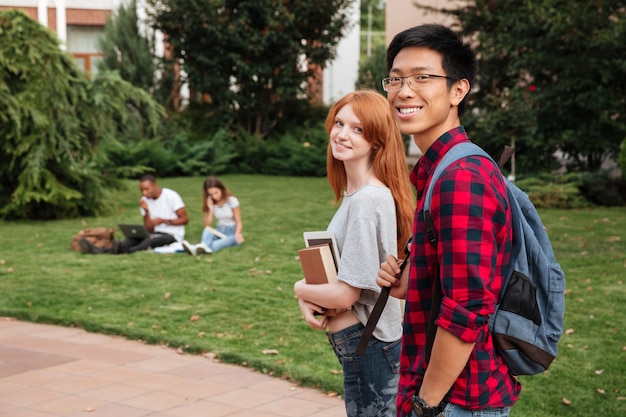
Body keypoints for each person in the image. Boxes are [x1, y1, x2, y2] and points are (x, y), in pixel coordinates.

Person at [375, 24, 521, 417]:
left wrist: (426, 404)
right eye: (396, 79)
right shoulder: (441, 168)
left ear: (458, 90)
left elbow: (468, 307)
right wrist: (414, 276)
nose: (404, 91)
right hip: (452, 391)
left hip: (457, 399)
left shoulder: (460, 177)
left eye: (423, 77)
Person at [293, 90, 415, 417]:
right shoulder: (357, 194)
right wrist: (313, 295)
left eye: (357, 129)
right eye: (339, 123)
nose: (342, 134)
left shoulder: (366, 201)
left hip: (369, 345)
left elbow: (348, 294)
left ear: (376, 141)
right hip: (366, 345)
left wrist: (299, 290)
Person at [80, 174, 189, 254]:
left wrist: (164, 221)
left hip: (171, 235)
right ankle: (102, 250)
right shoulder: (144, 201)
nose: (144, 193)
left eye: (147, 189)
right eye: (141, 190)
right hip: (153, 233)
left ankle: (124, 251)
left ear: (155, 185)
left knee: (148, 242)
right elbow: (149, 229)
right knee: (130, 240)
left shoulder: (171, 196)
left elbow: (185, 219)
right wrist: (146, 212)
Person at [181, 176, 244, 255]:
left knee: (215, 245)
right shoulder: (211, 202)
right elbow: (207, 225)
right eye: (211, 194)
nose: (214, 196)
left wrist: (238, 233)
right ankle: (200, 247)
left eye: (216, 193)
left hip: (231, 232)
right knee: (207, 231)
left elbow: (238, 221)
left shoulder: (231, 200)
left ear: (221, 189)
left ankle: (195, 248)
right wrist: (210, 209)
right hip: (219, 230)